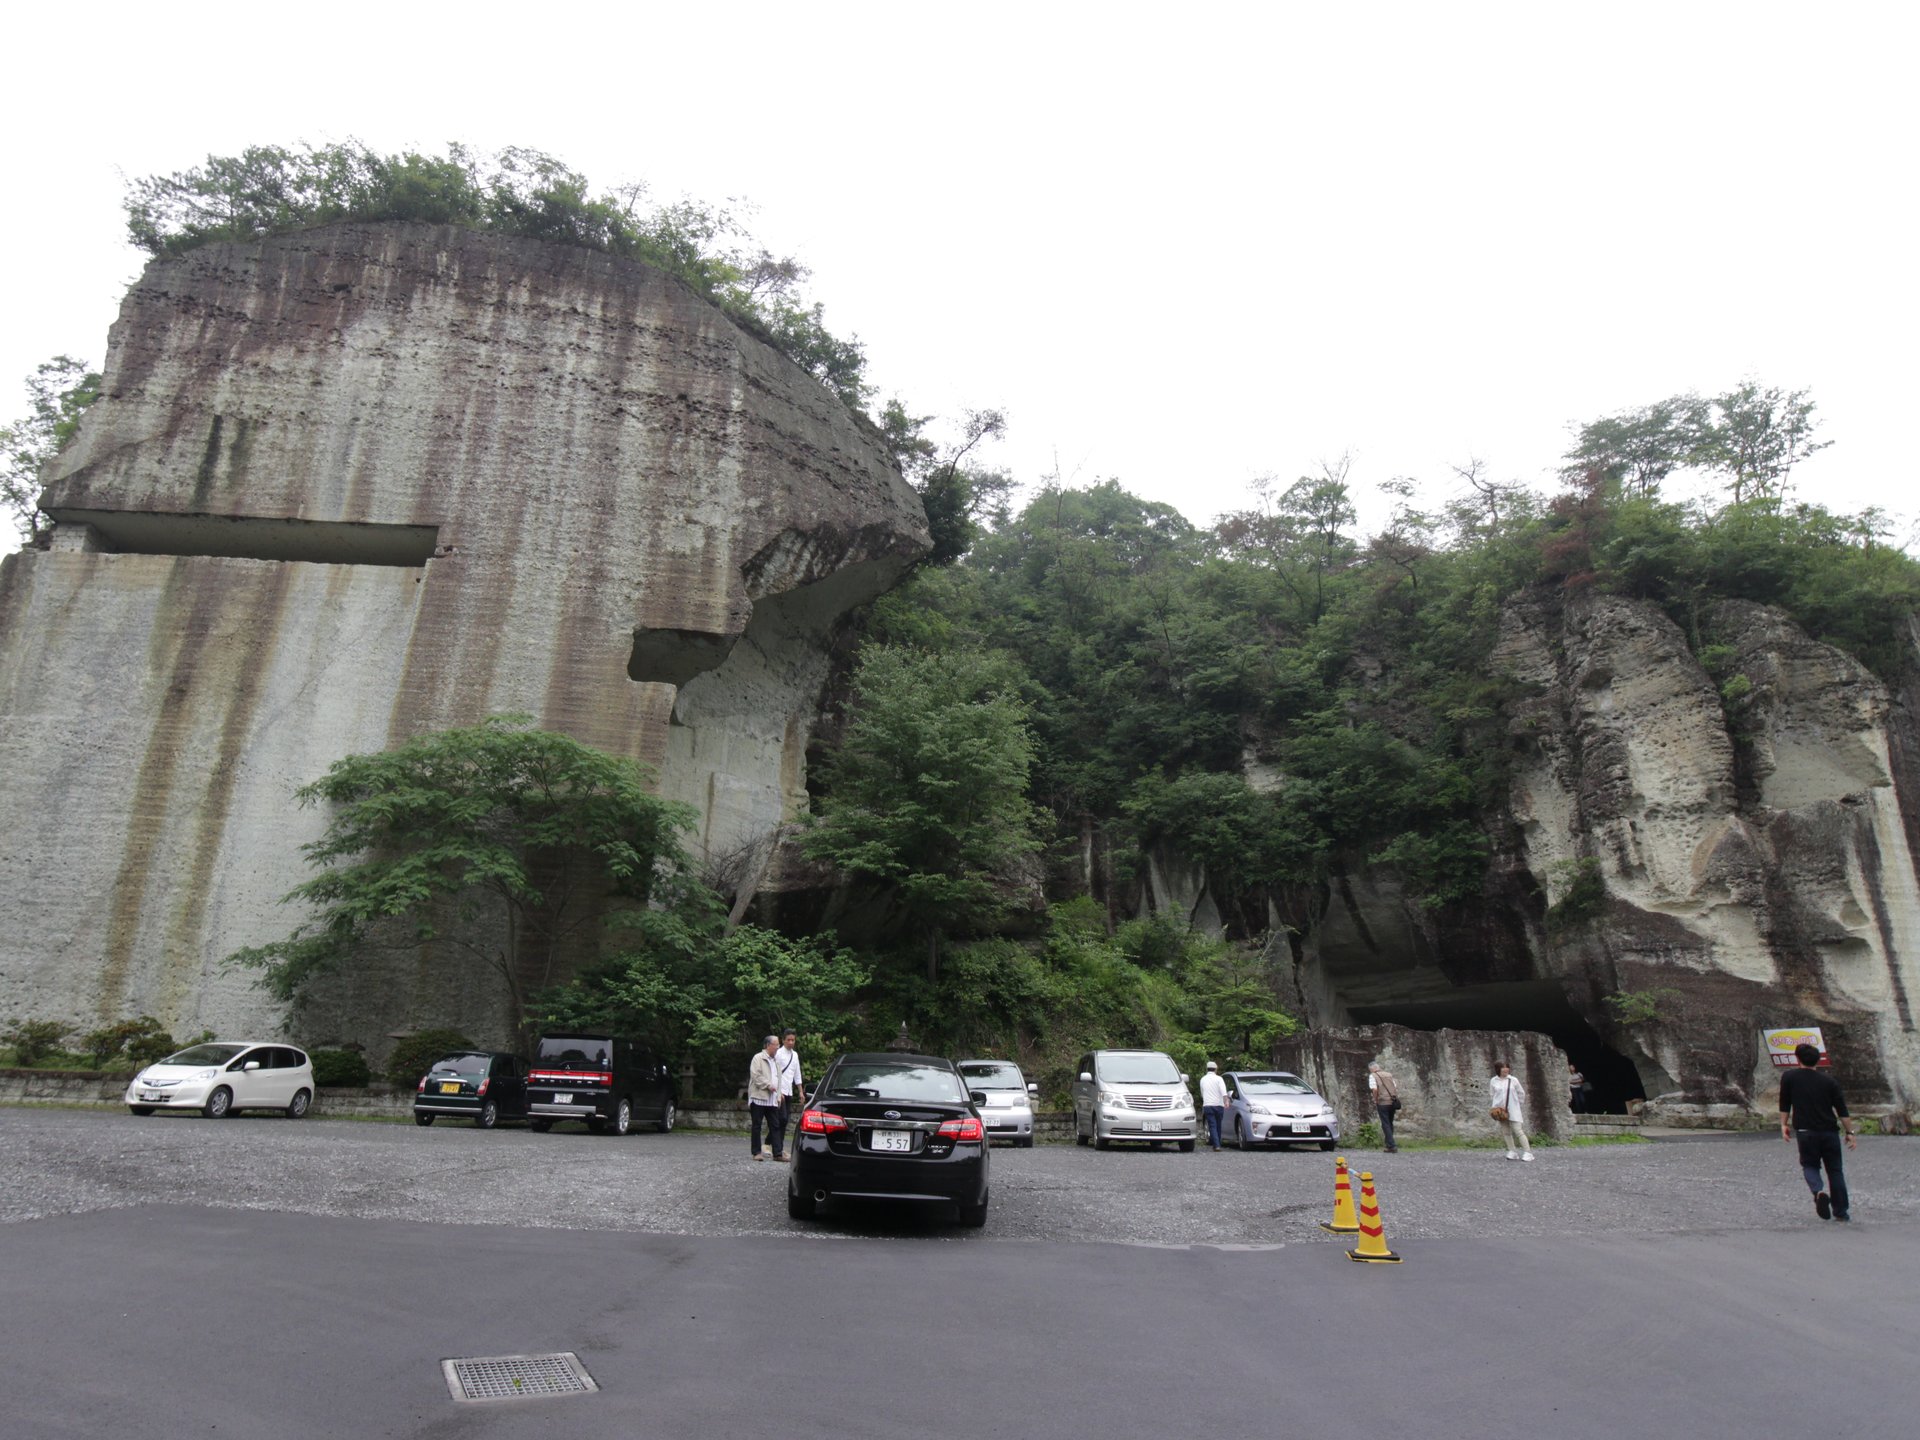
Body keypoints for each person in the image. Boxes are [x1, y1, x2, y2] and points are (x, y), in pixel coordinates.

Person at [1779, 1041, 1856, 1222]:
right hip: (1829, 1131)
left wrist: (1784, 1124)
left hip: (1805, 1131)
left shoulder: (1789, 1077)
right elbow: (1842, 1110)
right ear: (1818, 1060)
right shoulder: (1829, 1081)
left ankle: (1818, 1191)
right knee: (1835, 1170)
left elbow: (1785, 1103)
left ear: (1798, 1059)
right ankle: (1841, 1211)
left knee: (1810, 1166)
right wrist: (1850, 1132)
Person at [747, 1035, 782, 1161]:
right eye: (776, 1044)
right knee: (757, 1125)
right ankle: (756, 1152)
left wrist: (778, 1094)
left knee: (775, 1125)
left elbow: (779, 1079)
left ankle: (778, 1153)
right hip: (759, 1097)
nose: (778, 1047)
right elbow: (756, 1076)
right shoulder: (758, 1058)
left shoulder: (776, 1061)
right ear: (768, 1045)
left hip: (772, 1099)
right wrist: (768, 1085)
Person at [1489, 1061, 1532, 1161]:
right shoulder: (1493, 1080)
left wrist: (1517, 1105)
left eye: (1507, 1067)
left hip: (1513, 1109)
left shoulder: (1513, 1080)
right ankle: (1512, 1151)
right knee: (1506, 1132)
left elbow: (1521, 1093)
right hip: (1500, 1111)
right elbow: (1492, 1094)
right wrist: (1496, 1108)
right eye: (1503, 1067)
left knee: (1518, 1130)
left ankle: (1528, 1152)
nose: (1505, 1069)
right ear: (1498, 1069)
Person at [774, 1029, 806, 1159]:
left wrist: (800, 1091)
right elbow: (774, 1073)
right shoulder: (778, 1054)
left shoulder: (795, 1055)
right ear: (783, 1040)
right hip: (779, 1091)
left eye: (793, 1040)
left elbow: (797, 1074)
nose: (791, 1042)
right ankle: (777, 1147)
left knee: (784, 1120)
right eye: (789, 1040)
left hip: (788, 1091)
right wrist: (777, 1090)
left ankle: (775, 1144)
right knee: (781, 1118)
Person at [1367, 1061, 1401, 1152]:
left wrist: (1375, 1099)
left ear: (1371, 1069)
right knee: (1390, 1123)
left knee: (1385, 1123)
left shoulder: (1373, 1076)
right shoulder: (1389, 1075)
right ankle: (1389, 1145)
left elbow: (1374, 1089)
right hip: (1392, 1102)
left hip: (1382, 1102)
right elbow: (1395, 1086)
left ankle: (1392, 1145)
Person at [1198, 1061, 1228, 1152]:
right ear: (1215, 1069)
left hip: (1208, 1105)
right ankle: (1217, 1143)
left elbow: (1202, 1093)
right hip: (1218, 1105)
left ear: (1207, 1069)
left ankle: (1216, 1144)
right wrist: (1226, 1101)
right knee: (1218, 1125)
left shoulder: (1203, 1079)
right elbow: (1223, 1091)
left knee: (1212, 1125)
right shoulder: (1219, 1079)